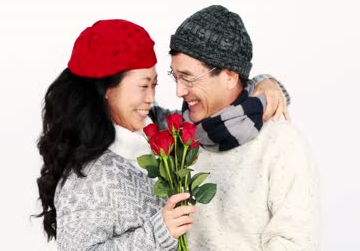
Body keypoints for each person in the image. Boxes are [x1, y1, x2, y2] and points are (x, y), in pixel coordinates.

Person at [35, 19, 289, 250]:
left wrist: (264, 84)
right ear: (107, 90)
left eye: (155, 84)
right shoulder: (87, 176)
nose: (150, 98)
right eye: (143, 86)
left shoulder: (162, 126)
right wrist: (158, 233)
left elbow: (222, 110)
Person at [166, 5, 320, 250]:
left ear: (229, 76)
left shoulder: (280, 144)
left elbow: (294, 242)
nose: (179, 91)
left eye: (188, 78)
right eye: (175, 76)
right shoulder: (178, 137)